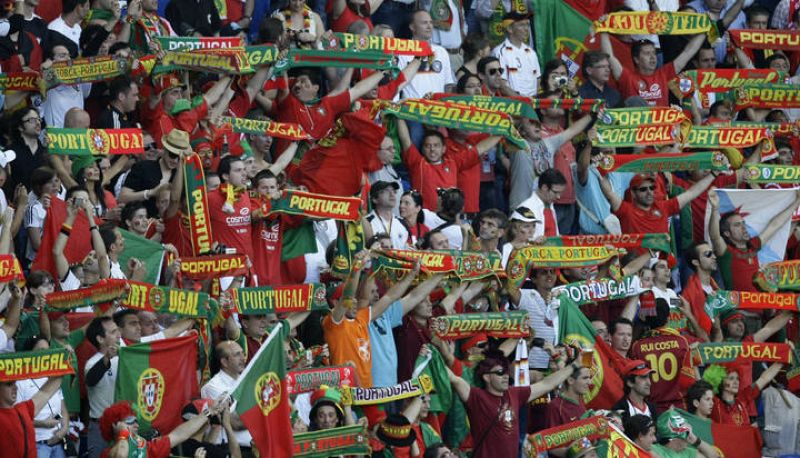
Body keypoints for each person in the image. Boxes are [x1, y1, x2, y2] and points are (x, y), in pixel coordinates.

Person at [445, 352, 589, 458]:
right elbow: (454, 378)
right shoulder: (476, 397)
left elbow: (547, 384)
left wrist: (574, 365)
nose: (506, 376)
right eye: (500, 372)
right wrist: (433, 353)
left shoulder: (514, 394)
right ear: (487, 377)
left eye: (506, 371)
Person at [709, 188, 800, 291]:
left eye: (743, 223)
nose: (743, 227)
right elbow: (714, 236)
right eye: (737, 225)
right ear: (727, 233)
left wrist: (797, 202)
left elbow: (775, 224)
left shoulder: (754, 245)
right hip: (738, 301)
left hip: (761, 300)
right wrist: (714, 209)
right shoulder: (726, 252)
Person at [600, 27, 706, 106]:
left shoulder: (664, 74)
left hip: (661, 128)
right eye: (647, 53)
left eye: (654, 53)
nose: (652, 57)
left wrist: (705, 30)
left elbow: (688, 52)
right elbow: (609, 56)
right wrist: (603, 29)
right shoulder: (627, 78)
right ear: (636, 59)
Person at [629, 300, 698, 413]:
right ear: (668, 317)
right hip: (680, 408)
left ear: (646, 318)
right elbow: (692, 379)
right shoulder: (682, 342)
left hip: (652, 410)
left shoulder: (637, 346)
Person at [600, 172, 715, 236]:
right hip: (636, 267)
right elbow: (608, 192)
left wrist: (714, 174)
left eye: (652, 188)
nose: (649, 192)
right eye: (643, 189)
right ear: (633, 193)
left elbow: (692, 192)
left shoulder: (664, 207)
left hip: (662, 266)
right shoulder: (625, 210)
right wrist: (599, 167)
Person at [200, 341, 253, 454]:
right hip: (230, 450)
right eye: (237, 354)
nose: (243, 358)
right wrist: (264, 414)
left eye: (243, 353)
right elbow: (234, 422)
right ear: (224, 362)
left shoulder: (248, 381)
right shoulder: (213, 386)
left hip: (255, 448)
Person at [0, 373, 63, 458]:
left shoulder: (22, 409)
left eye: (15, 383)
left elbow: (45, 393)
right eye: (9, 384)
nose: (15, 387)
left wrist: (63, 370)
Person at [491, 11, 539, 96]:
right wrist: (520, 100)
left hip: (533, 101)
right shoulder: (499, 52)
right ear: (510, 29)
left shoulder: (531, 52)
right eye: (521, 25)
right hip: (513, 102)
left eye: (527, 25)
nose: (526, 29)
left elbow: (538, 79)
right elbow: (501, 85)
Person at [653, 409, 720, 458]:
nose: (687, 439)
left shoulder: (688, 452)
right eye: (685, 434)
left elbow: (715, 456)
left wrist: (695, 440)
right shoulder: (655, 450)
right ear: (673, 439)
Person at [365, 181, 409, 249]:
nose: (392, 194)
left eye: (394, 191)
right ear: (375, 199)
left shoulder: (403, 223)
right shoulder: (367, 222)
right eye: (386, 191)